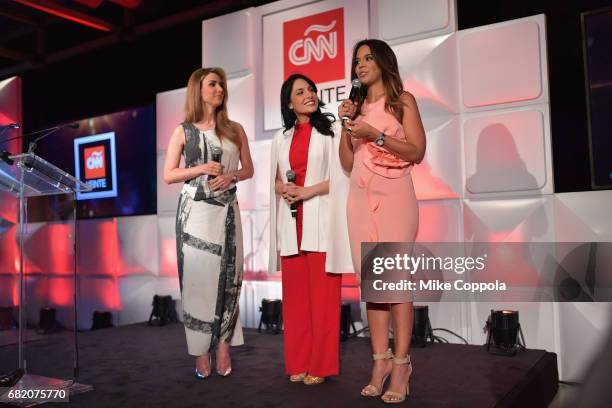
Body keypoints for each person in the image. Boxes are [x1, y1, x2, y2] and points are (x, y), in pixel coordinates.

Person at [338, 39, 426, 403]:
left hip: (395, 197)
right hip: (359, 198)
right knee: (372, 286)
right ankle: (380, 362)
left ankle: (402, 364)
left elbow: (417, 152)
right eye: (356, 60)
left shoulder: (403, 101)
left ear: (383, 62)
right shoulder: (355, 108)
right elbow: (346, 163)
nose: (360, 65)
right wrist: (348, 127)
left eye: (367, 58)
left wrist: (376, 135)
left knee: (395, 284)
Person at [163, 67, 254, 379]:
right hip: (195, 214)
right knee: (199, 281)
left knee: (231, 276)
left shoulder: (235, 129)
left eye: (221, 85)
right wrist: (199, 167)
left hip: (228, 210)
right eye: (212, 84)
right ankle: (200, 349)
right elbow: (169, 174)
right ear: (198, 90)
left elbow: (249, 169)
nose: (219, 89)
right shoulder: (184, 131)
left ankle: (225, 344)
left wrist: (232, 175)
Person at [269, 73, 346, 385]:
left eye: (312, 89)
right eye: (301, 92)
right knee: (297, 302)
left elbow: (343, 177)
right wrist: (284, 188)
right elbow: (273, 181)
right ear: (290, 102)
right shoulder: (280, 137)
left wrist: (307, 191)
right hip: (291, 224)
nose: (309, 94)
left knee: (324, 302)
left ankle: (321, 365)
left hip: (321, 221)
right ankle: (298, 362)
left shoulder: (333, 130)